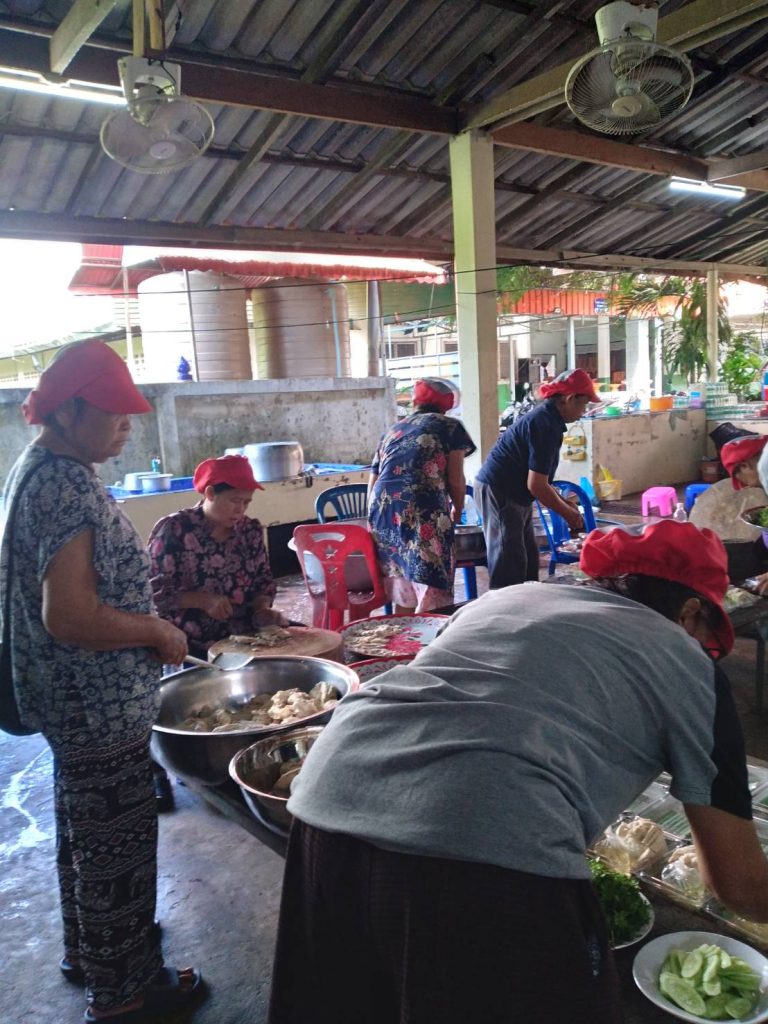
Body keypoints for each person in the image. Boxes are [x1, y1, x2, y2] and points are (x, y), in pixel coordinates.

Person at [267, 520, 768, 1024]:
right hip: (478, 856)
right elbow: (738, 885)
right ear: (690, 612)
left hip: (326, 800)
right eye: (708, 637)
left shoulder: (507, 597)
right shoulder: (689, 664)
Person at [1, 340, 204, 1023]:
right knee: (118, 843)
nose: (126, 426)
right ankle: (126, 995)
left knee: (86, 833)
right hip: (95, 706)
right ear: (69, 410)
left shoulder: (41, 467)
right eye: (113, 412)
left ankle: (91, 953)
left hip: (70, 702)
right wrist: (154, 630)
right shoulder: (63, 483)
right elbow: (70, 615)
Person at [148, 454, 286, 657]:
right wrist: (201, 600)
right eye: (235, 501)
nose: (240, 510)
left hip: (246, 635)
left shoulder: (249, 531)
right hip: (190, 640)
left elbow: (263, 583)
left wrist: (262, 610)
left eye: (246, 502)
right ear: (210, 493)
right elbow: (152, 594)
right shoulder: (174, 530)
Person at [474, 367, 599, 588]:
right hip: (500, 491)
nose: (584, 411)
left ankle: (528, 604)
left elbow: (540, 482)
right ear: (569, 399)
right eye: (584, 404)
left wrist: (564, 503)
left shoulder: (549, 419)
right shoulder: (545, 423)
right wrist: (567, 513)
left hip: (515, 494)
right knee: (509, 564)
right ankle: (506, 607)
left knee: (528, 560)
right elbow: (537, 485)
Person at [367, 377, 476, 613]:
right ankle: (429, 631)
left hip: (383, 508)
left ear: (415, 403)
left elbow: (373, 478)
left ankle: (405, 632)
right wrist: (458, 507)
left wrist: (372, 517)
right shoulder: (449, 426)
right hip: (422, 505)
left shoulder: (393, 429)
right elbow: (455, 478)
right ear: (446, 405)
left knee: (402, 578)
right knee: (431, 578)